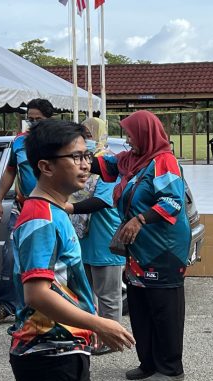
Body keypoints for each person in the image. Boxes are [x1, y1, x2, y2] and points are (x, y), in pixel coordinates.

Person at [9, 119, 134, 381]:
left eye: (87, 155)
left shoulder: (53, 211)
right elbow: (37, 293)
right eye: (76, 157)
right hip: (49, 354)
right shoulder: (41, 218)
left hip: (60, 348)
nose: (85, 164)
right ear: (46, 166)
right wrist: (99, 323)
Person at [91, 110, 191, 381]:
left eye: (131, 135)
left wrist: (140, 219)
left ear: (146, 134)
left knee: (164, 308)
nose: (127, 140)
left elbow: (172, 201)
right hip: (138, 249)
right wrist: (75, 151)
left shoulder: (164, 161)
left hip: (164, 249)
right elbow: (103, 165)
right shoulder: (131, 161)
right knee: (140, 306)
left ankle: (171, 368)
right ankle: (148, 363)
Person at [0, 98, 54, 326]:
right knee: (10, 256)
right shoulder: (18, 142)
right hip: (22, 208)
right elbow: (10, 171)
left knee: (47, 258)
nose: (33, 123)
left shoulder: (57, 142)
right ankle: (9, 305)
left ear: (49, 120)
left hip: (49, 208)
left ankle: (46, 307)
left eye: (38, 119)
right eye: (30, 119)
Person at [65, 117, 125, 355]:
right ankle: (89, 335)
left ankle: (112, 339)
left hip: (103, 236)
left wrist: (68, 207)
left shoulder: (108, 163)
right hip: (83, 236)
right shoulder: (80, 163)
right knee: (85, 292)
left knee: (108, 295)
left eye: (89, 136)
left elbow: (102, 200)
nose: (86, 141)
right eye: (84, 136)